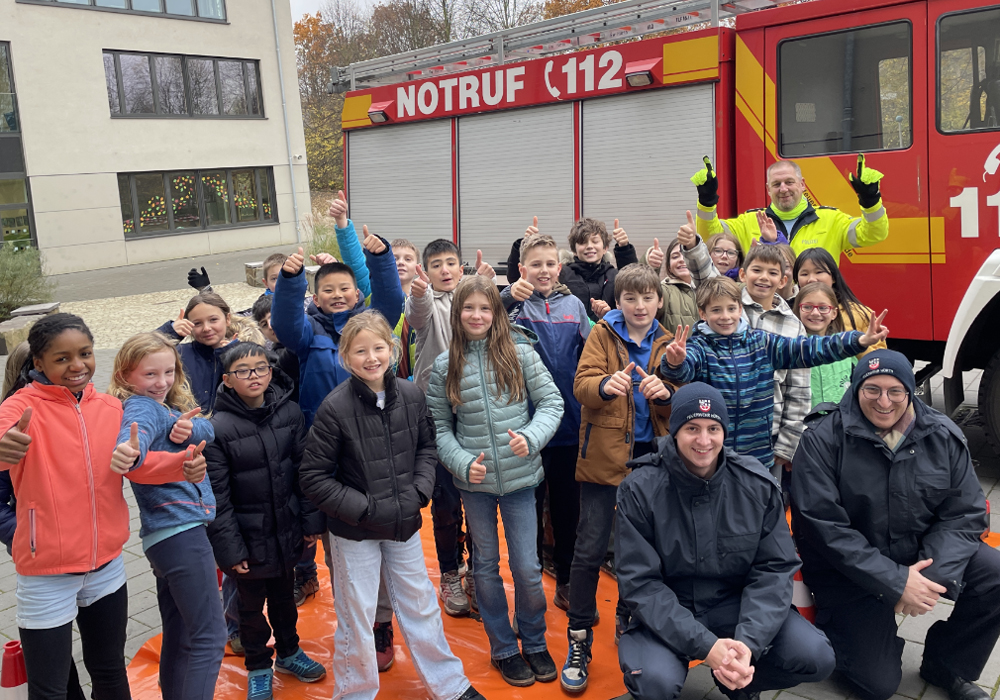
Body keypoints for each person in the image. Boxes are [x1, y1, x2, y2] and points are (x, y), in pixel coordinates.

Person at [0, 313, 203, 700]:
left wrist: (184, 464)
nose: (77, 366)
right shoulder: (20, 407)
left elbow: (138, 466)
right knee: (50, 689)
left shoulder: (111, 408)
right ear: (38, 363)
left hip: (107, 567)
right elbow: (3, 432)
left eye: (86, 353)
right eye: (61, 359)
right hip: (46, 573)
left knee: (110, 672)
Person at [791, 350, 1000, 700]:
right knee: (878, 684)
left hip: (920, 556)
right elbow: (824, 528)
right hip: (850, 572)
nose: (883, 401)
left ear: (910, 391)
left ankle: (948, 664)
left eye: (895, 391)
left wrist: (930, 580)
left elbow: (965, 513)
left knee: (994, 574)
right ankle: (848, 635)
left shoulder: (943, 435)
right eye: (872, 390)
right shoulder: (822, 439)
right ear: (856, 388)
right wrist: (896, 582)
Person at [299, 310, 486, 700]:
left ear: (394, 349)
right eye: (360, 351)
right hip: (355, 531)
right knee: (357, 614)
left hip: (404, 523)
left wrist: (419, 492)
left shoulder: (413, 395)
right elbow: (314, 477)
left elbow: (427, 448)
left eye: (379, 348)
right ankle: (355, 692)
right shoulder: (335, 408)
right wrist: (365, 509)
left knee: (419, 602)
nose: (371, 358)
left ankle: (449, 685)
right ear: (345, 357)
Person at [615, 382, 836, 700]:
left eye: (713, 428)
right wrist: (708, 647)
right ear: (675, 429)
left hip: (734, 604)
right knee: (654, 683)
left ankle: (739, 679)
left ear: (724, 432)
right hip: (667, 609)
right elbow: (641, 585)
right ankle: (722, 667)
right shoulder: (639, 489)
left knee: (816, 655)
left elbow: (774, 569)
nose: (703, 440)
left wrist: (748, 644)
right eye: (692, 428)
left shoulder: (756, 485)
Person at [427, 276, 564, 688]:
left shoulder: (520, 354)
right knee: (485, 566)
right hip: (476, 485)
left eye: (485, 308)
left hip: (522, 480)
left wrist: (533, 437)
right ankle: (503, 647)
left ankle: (535, 640)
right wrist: (461, 462)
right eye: (468, 308)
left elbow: (551, 403)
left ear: (497, 312)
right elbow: (439, 427)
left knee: (526, 566)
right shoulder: (444, 365)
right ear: (457, 313)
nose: (477, 315)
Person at [561, 264, 676, 693]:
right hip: (604, 457)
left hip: (654, 459)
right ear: (619, 302)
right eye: (631, 298)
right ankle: (579, 637)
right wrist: (606, 386)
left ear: (659, 301)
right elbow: (581, 385)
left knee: (644, 549)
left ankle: (631, 619)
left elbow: (684, 394)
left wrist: (667, 394)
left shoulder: (669, 342)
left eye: (647, 298)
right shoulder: (602, 335)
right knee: (589, 548)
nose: (639, 306)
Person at [661, 276, 887, 473]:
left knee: (756, 511)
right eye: (716, 310)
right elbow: (684, 370)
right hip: (712, 452)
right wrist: (674, 361)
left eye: (731, 308)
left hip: (757, 452)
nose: (725, 316)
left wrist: (857, 341)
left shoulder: (762, 342)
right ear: (703, 313)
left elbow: (807, 349)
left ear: (740, 309)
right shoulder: (699, 346)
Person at [204, 342, 327, 700]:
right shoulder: (218, 429)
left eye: (259, 368)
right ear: (227, 381)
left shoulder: (289, 413)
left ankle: (290, 652)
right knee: (249, 608)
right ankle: (258, 665)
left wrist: (309, 523)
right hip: (247, 539)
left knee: (285, 600)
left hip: (286, 529)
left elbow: (305, 472)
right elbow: (218, 497)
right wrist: (229, 548)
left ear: (271, 372)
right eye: (243, 371)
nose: (253, 376)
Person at [108, 332, 224, 700]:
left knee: (182, 632)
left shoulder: (167, 407)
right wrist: (129, 452)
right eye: (150, 375)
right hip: (180, 532)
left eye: (169, 372)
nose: (162, 383)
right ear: (126, 376)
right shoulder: (141, 407)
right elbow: (134, 442)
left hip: (166, 537)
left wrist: (193, 427)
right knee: (210, 636)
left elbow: (208, 426)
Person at [678, 213, 810, 480]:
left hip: (765, 438)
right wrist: (693, 246)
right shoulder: (731, 306)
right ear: (742, 274)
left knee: (757, 505)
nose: (763, 278)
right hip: (715, 433)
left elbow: (798, 390)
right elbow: (706, 275)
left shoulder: (794, 327)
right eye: (756, 270)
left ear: (783, 280)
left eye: (773, 273)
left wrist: (787, 444)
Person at [406, 238, 495, 616]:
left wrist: (487, 288)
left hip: (474, 415)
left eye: (451, 263)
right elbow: (416, 315)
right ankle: (449, 572)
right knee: (445, 504)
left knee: (479, 498)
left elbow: (492, 320)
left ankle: (476, 571)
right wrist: (420, 292)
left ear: (461, 267)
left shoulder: (471, 304)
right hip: (436, 419)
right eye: (437, 264)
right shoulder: (427, 305)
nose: (445, 270)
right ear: (426, 270)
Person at [502, 234, 590, 609]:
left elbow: (592, 354)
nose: (543, 271)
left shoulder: (574, 305)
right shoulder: (512, 307)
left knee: (569, 510)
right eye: (535, 264)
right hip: (526, 429)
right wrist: (508, 297)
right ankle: (531, 582)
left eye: (550, 264)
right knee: (529, 512)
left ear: (559, 268)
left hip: (569, 427)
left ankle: (567, 578)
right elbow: (486, 329)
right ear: (522, 269)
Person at [0, 342, 87, 700]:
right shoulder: (13, 421)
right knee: (50, 643)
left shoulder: (79, 410)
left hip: (89, 549)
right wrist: (24, 532)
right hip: (38, 549)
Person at [692, 156, 888, 263]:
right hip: (765, 314)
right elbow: (710, 236)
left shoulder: (831, 219)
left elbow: (872, 235)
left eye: (789, 182)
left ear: (802, 184)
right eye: (776, 184)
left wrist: (870, 201)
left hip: (814, 311)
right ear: (768, 189)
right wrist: (707, 202)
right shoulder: (749, 221)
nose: (783, 189)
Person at [506, 216, 638, 322]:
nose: (589, 246)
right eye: (583, 242)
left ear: (605, 248)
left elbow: (635, 283)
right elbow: (518, 278)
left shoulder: (615, 275)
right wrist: (525, 244)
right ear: (574, 249)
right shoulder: (563, 273)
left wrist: (624, 248)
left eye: (595, 241)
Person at [793, 247, 886, 357]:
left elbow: (878, 360)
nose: (811, 279)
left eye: (819, 272)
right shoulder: (790, 313)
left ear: (833, 277)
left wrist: (860, 343)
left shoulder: (860, 314)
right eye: (804, 274)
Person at [156, 292, 239, 413]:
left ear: (227, 319)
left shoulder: (245, 352)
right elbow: (137, 355)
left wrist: (229, 355)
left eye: (213, 320)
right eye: (197, 323)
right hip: (188, 425)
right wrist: (170, 333)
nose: (206, 328)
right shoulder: (179, 354)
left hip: (228, 428)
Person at [793, 282, 856, 408]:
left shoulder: (845, 349)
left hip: (838, 423)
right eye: (807, 307)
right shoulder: (791, 348)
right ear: (798, 310)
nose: (815, 313)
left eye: (823, 308)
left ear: (834, 313)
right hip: (803, 423)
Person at [641, 237, 698, 331]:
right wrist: (649, 266)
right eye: (675, 256)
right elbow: (642, 292)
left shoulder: (708, 289)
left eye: (687, 254)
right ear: (669, 267)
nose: (681, 259)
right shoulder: (664, 290)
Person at [390, 238, 419, 380]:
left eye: (408, 259)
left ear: (417, 267)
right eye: (395, 258)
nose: (401, 262)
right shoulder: (375, 297)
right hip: (387, 382)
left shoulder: (423, 303)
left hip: (416, 382)